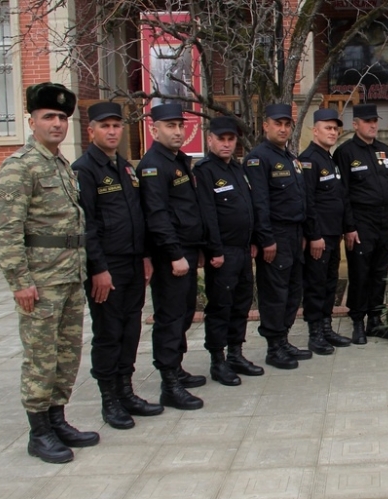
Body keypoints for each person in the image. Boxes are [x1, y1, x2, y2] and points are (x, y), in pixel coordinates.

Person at [0, 83, 99, 463]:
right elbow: (8, 230)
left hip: (69, 277)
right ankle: (39, 432)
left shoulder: (61, 165)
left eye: (62, 118)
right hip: (40, 281)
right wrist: (20, 281)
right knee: (40, 355)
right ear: (32, 121)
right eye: (49, 117)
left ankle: (58, 419)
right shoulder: (20, 167)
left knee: (67, 353)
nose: (57, 124)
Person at [72, 102, 162, 430]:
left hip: (133, 263)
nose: (112, 131)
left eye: (116, 125)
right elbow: (87, 225)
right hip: (106, 267)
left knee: (130, 328)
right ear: (91, 130)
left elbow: (139, 217)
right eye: (105, 126)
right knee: (109, 333)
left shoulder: (124, 167)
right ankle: (109, 398)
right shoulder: (85, 169)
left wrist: (146, 257)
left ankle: (126, 390)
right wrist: (98, 268)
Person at [138, 103, 218, 410]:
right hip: (170, 255)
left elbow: (187, 208)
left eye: (180, 126)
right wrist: (174, 254)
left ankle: (177, 369)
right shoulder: (153, 164)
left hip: (186, 250)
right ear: (153, 129)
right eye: (170, 126)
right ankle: (168, 384)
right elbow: (157, 215)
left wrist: (195, 249)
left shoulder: (178, 160)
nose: (177, 131)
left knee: (184, 313)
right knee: (170, 318)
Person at [194, 116, 265, 383]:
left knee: (241, 303)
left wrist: (254, 241)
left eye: (230, 139)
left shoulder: (236, 169)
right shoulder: (205, 170)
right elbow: (208, 215)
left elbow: (249, 207)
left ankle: (236, 353)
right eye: (221, 139)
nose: (226, 144)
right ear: (209, 139)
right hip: (222, 252)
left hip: (243, 250)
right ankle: (218, 360)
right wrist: (214, 250)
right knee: (220, 306)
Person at [245, 104, 312, 369]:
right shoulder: (258, 158)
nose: (283, 129)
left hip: (294, 234)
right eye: (278, 124)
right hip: (276, 235)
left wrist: (304, 232)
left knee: (293, 290)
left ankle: (283, 339)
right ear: (266, 125)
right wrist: (266, 239)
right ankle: (274, 347)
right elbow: (259, 203)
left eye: (287, 124)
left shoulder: (289, 158)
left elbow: (299, 198)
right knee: (275, 292)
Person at [335, 103, 388, 344]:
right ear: (356, 125)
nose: (373, 125)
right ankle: (357, 322)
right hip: (360, 222)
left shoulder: (384, 150)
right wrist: (349, 227)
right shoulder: (345, 152)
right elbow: (342, 194)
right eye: (367, 121)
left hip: (384, 221)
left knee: (378, 272)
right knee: (360, 273)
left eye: (375, 120)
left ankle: (375, 320)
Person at [300, 109, 352, 354]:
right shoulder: (309, 160)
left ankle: (327, 327)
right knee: (316, 285)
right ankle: (315, 334)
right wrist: (314, 236)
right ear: (315, 130)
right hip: (319, 237)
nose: (333, 132)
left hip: (333, 234)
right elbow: (307, 202)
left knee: (329, 283)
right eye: (328, 128)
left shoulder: (328, 158)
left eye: (335, 129)